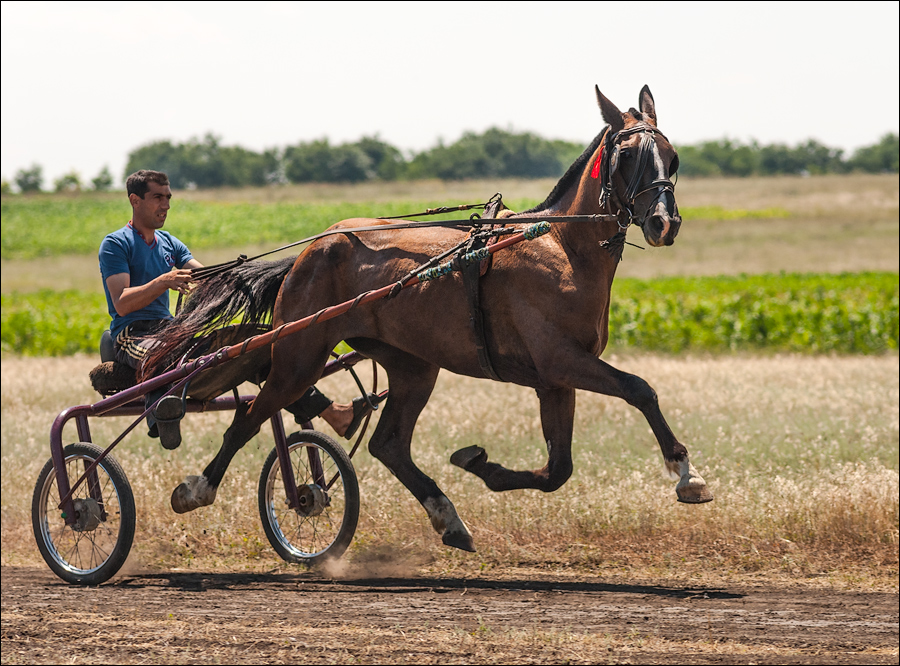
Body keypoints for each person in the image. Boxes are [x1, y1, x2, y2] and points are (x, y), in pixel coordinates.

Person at [99, 170, 371, 449]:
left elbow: (206, 275)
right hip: (131, 335)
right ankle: (161, 416)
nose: (166, 204)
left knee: (262, 353)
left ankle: (335, 414)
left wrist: (242, 274)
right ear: (135, 200)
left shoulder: (170, 243)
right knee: (161, 352)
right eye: (157, 197)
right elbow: (121, 302)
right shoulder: (116, 244)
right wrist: (164, 281)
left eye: (168, 197)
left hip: (170, 331)